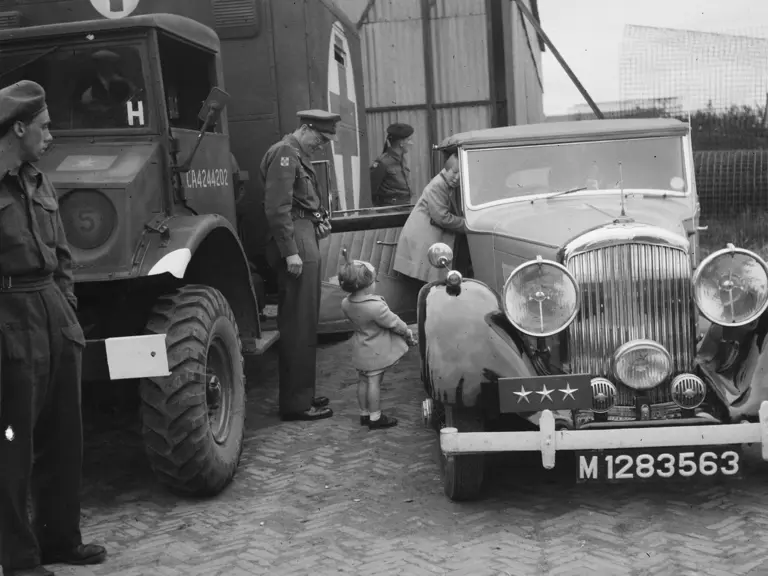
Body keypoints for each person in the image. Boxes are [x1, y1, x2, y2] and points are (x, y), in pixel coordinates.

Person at [0, 81, 106, 576]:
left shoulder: (37, 179)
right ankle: (19, 560)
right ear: (18, 128)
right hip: (9, 313)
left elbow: (62, 253)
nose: (51, 134)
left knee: (65, 436)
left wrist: (67, 309)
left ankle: (60, 540)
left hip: (51, 308)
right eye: (43, 126)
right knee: (12, 443)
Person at [260, 109, 339, 422]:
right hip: (294, 241)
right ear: (306, 129)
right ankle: (296, 403)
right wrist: (290, 251)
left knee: (306, 322)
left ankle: (302, 393)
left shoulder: (297, 154)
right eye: (320, 138)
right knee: (297, 324)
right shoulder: (284, 154)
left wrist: (319, 220)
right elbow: (276, 207)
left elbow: (306, 200)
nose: (322, 145)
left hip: (304, 235)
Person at [338, 249, 416, 430]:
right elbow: (394, 323)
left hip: (360, 348)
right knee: (375, 382)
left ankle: (364, 413)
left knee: (362, 381)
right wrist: (407, 332)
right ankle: (375, 417)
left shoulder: (346, 303)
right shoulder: (375, 307)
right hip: (376, 351)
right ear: (365, 285)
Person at [393, 152, 468, 283]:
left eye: (461, 175)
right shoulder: (438, 185)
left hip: (425, 239)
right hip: (423, 240)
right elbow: (442, 218)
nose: (457, 178)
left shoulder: (445, 184)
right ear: (446, 168)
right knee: (426, 283)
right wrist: (467, 224)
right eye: (454, 172)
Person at [369, 123, 414, 207]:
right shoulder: (382, 162)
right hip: (390, 210)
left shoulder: (402, 160)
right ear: (401, 142)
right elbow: (371, 190)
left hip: (404, 207)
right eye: (409, 140)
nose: (412, 143)